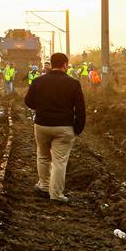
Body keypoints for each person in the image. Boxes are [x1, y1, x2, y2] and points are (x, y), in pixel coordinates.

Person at [24, 52, 86, 203]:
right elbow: (80, 108)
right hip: (64, 127)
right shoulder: (73, 83)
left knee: (43, 156)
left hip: (42, 125)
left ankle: (44, 186)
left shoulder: (38, 81)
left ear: (51, 64)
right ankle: (56, 195)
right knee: (59, 161)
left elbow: (28, 102)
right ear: (65, 65)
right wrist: (78, 128)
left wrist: (41, 108)